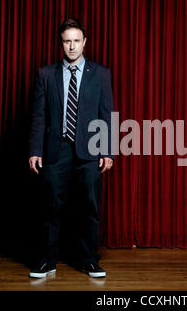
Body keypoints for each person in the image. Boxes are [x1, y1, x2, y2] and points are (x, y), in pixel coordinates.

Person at [28, 18, 114, 278]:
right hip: (57, 150)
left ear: (85, 42)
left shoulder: (101, 74)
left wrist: (107, 150)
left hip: (90, 151)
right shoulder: (46, 74)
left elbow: (106, 115)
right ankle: (46, 261)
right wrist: (35, 150)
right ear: (61, 43)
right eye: (67, 41)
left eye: (77, 41)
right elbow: (38, 115)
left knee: (89, 207)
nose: (72, 46)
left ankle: (89, 261)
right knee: (51, 206)